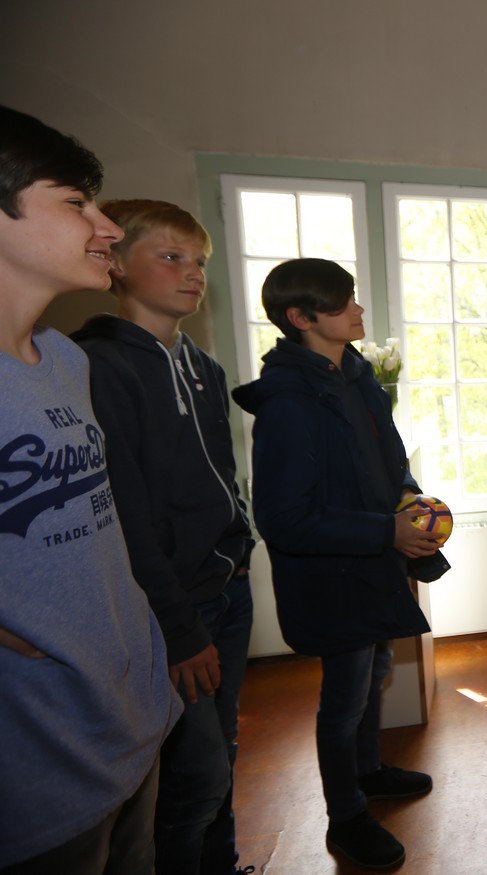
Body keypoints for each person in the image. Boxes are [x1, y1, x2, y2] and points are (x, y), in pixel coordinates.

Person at [0, 105, 180, 873]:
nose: (106, 228)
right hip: (41, 758)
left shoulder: (65, 360)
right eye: (76, 202)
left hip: (131, 719)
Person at [232, 258, 441, 870]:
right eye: (344, 302)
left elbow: (387, 454)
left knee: (377, 671)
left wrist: (409, 496)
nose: (358, 310)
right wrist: (386, 531)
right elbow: (283, 519)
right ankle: (345, 816)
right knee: (345, 697)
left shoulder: (354, 373)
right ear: (301, 318)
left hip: (373, 561)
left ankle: (368, 771)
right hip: (333, 576)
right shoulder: (288, 402)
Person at [71, 200, 256, 875]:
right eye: (171, 257)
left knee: (222, 751)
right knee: (195, 774)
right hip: (174, 604)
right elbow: (125, 511)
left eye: (199, 261)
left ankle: (221, 863)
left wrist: (242, 542)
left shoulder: (204, 366)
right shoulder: (99, 364)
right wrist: (178, 625)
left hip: (228, 587)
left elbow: (222, 474)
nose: (193, 273)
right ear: (117, 264)